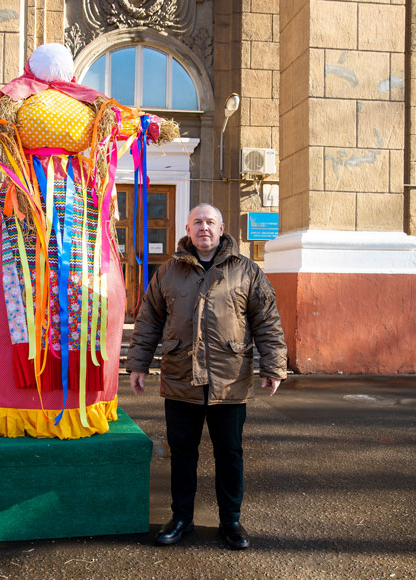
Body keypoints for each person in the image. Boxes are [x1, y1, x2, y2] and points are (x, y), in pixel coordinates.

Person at [126, 203, 288, 550]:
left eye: (210, 222)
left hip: (229, 380)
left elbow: (267, 320)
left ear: (221, 227)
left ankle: (231, 521)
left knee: (229, 453)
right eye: (197, 222)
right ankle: (181, 517)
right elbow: (148, 322)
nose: (204, 227)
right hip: (180, 378)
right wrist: (138, 364)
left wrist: (274, 365)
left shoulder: (246, 271)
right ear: (187, 229)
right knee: (182, 452)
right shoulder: (168, 272)